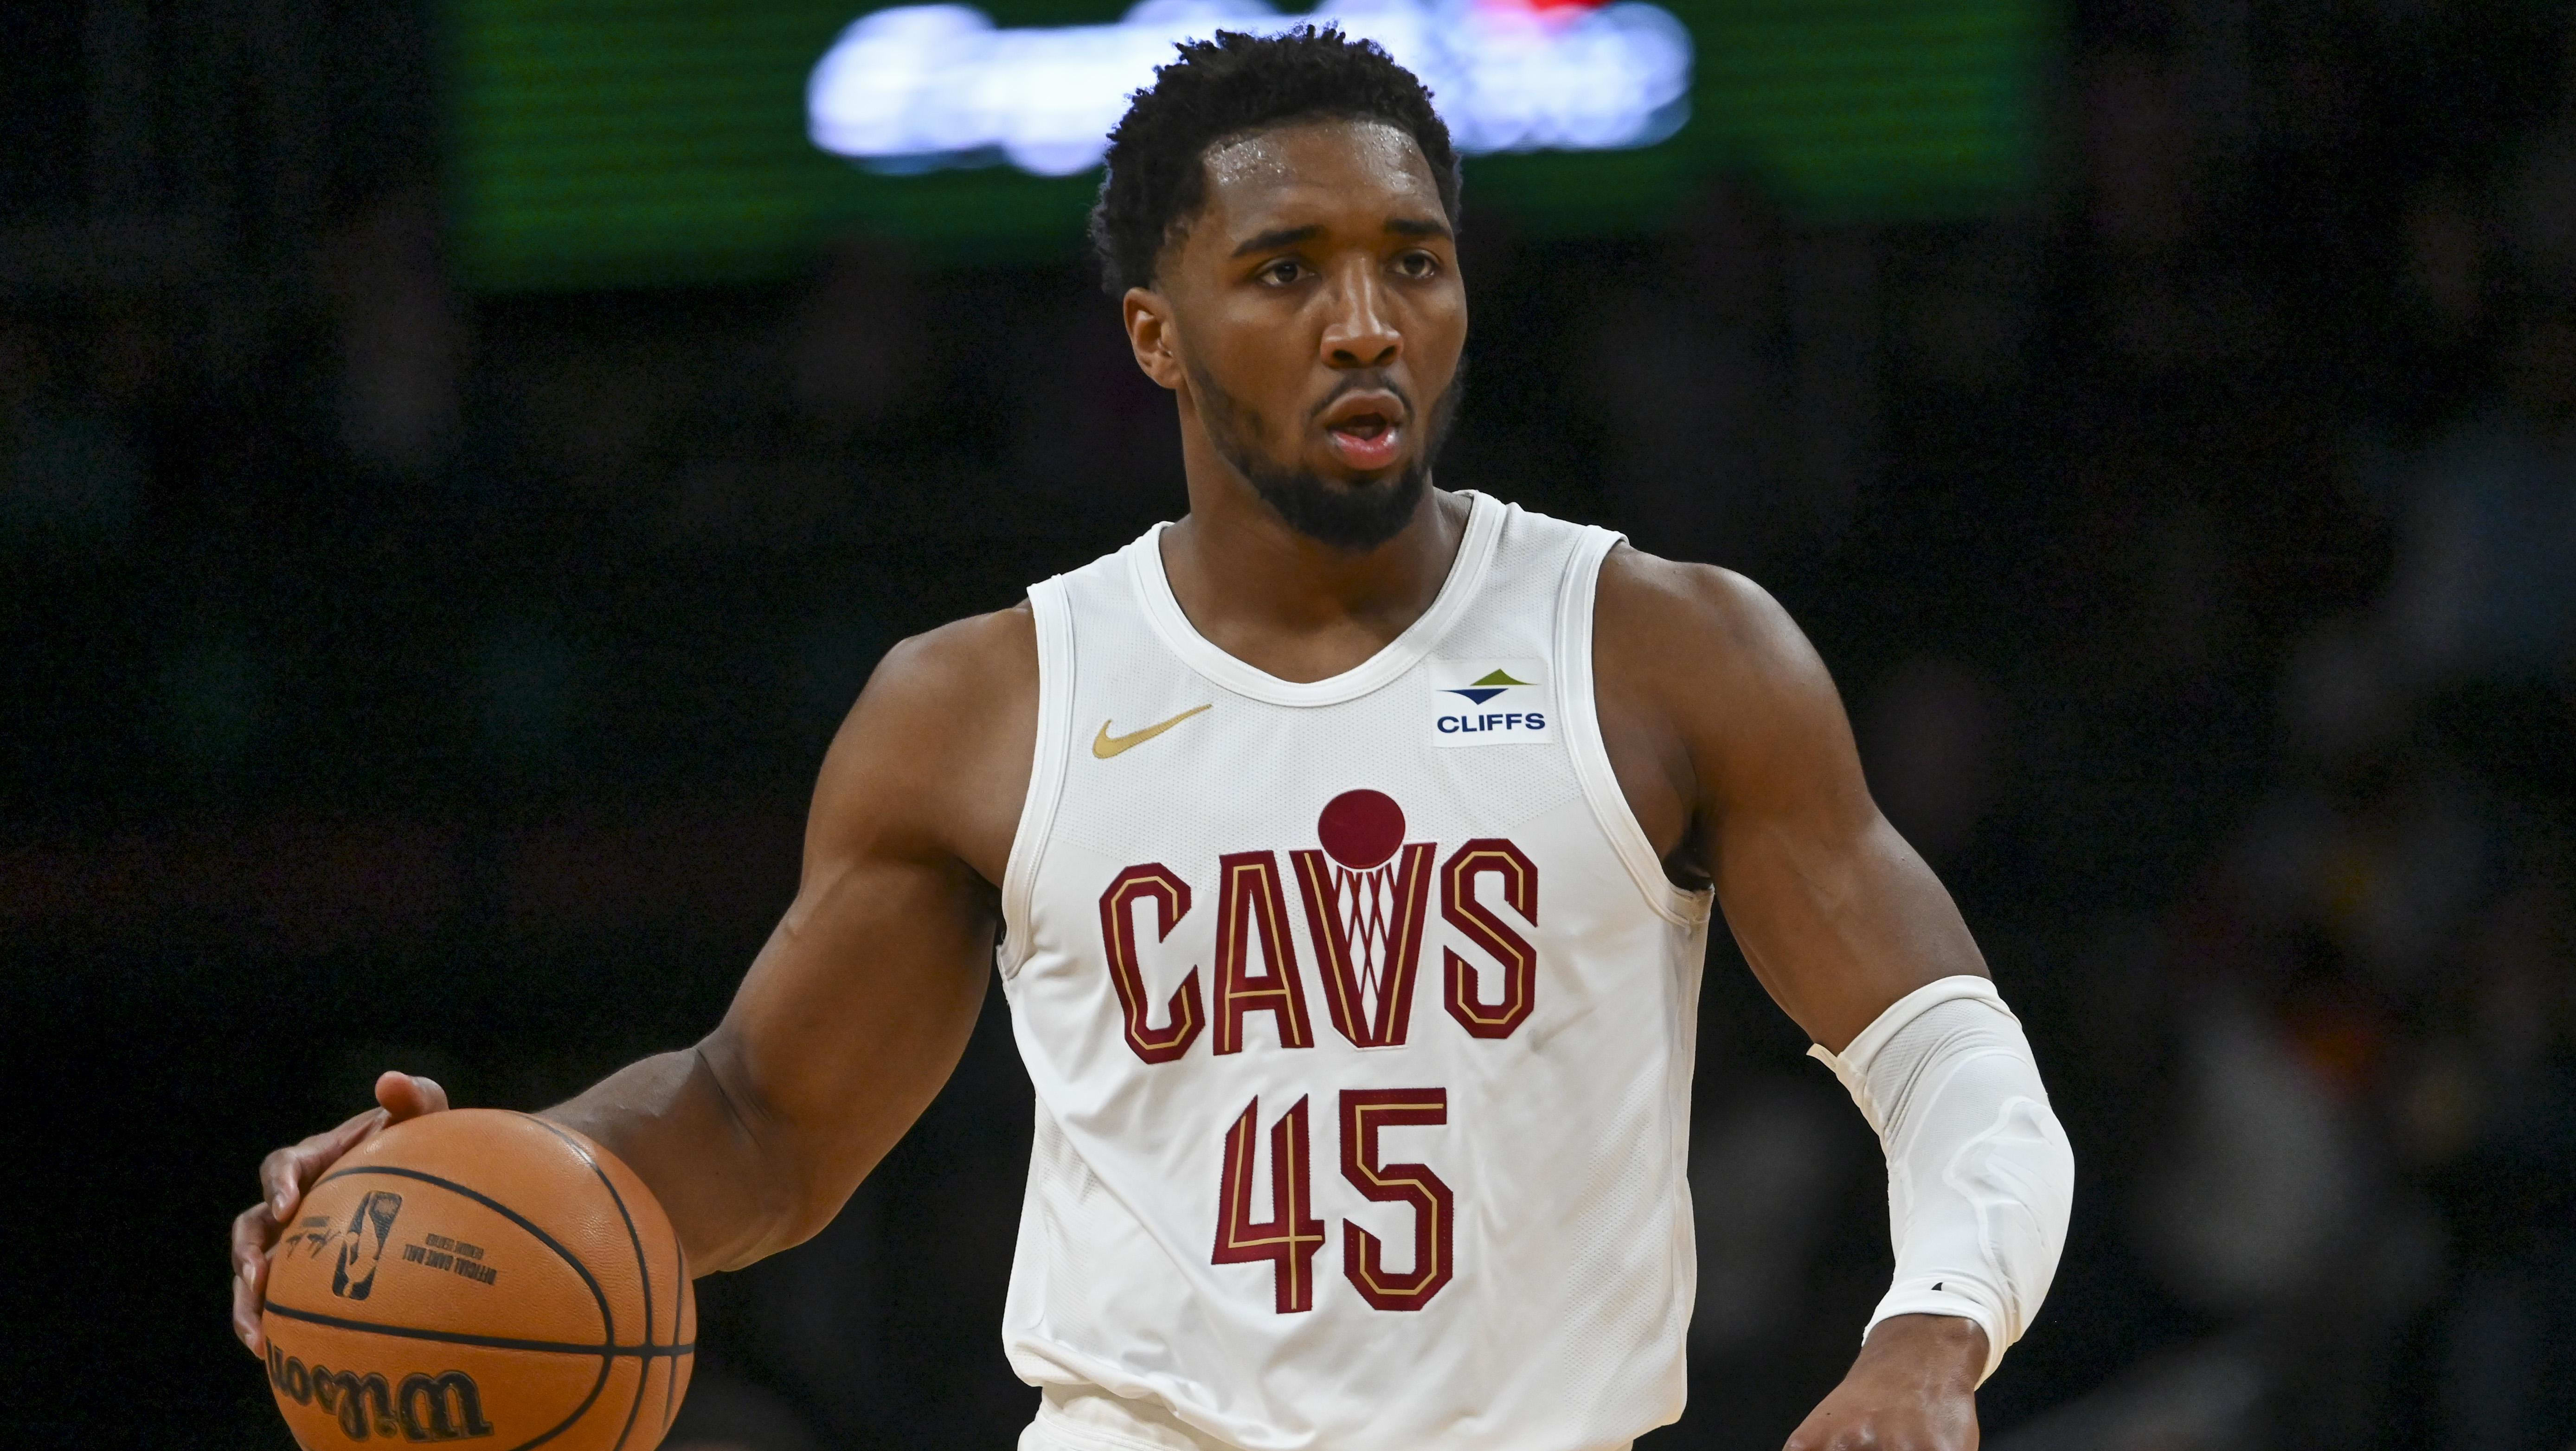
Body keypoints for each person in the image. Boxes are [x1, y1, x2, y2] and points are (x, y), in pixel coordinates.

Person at [230, 30, 2074, 1451]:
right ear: (1154, 332)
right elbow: (756, 1123)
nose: (1364, 320)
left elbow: (1952, 1063)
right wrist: (473, 1183)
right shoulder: (982, 702)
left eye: (1410, 263)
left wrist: (1930, 1327)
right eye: (1284, 270)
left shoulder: (1664, 651)